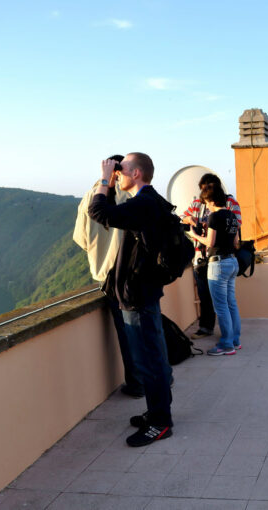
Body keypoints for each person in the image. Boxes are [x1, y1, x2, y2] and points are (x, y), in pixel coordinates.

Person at [88, 152, 174, 447]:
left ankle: (161, 422)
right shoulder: (151, 202)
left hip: (137, 293)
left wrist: (103, 180)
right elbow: (112, 213)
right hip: (145, 289)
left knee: (148, 360)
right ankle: (157, 411)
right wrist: (111, 184)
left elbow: (98, 213)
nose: (117, 175)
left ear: (136, 173)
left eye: (121, 171)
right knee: (154, 356)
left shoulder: (144, 204)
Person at [73, 155, 144, 398]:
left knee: (127, 331)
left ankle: (137, 382)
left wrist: (99, 252)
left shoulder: (89, 199)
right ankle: (145, 380)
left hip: (105, 275)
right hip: (131, 273)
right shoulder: (132, 197)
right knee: (140, 330)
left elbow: (81, 239)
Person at [181, 174, 242, 339]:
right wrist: (189, 219)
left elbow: (211, 241)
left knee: (221, 305)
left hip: (217, 259)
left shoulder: (223, 209)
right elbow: (236, 237)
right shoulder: (222, 211)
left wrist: (196, 232)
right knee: (217, 299)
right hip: (218, 259)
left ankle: (227, 341)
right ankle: (232, 337)